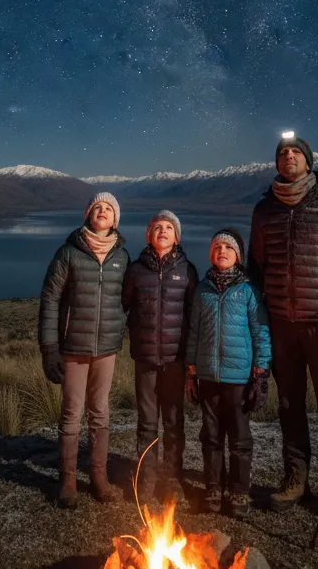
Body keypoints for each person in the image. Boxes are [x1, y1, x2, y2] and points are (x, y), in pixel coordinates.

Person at [249, 134, 318, 526]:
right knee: (289, 405)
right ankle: (295, 476)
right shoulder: (265, 210)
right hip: (282, 324)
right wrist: (256, 318)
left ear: (309, 161)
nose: (289, 157)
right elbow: (256, 267)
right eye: (282, 153)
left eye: (296, 152)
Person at [38, 192, 130, 509]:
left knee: (100, 411)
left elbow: (129, 299)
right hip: (73, 346)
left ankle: (99, 477)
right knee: (71, 413)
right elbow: (50, 299)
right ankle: (67, 481)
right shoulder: (68, 253)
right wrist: (49, 347)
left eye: (109, 209)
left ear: (115, 219)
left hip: (106, 348)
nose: (102, 211)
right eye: (97, 207)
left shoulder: (122, 257)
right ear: (88, 214)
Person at [185, 229, 271, 520]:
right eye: (217, 247)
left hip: (239, 377)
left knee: (239, 437)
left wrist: (261, 373)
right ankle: (213, 488)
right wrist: (191, 370)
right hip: (208, 375)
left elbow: (260, 331)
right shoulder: (203, 289)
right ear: (211, 254)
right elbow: (194, 332)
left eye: (229, 248)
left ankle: (238, 490)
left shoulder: (248, 290)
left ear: (239, 256)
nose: (222, 251)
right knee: (210, 435)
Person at [121, 210, 199, 504]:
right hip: (145, 360)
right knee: (147, 421)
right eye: (157, 227)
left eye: (168, 227)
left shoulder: (187, 270)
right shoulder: (136, 270)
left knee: (173, 421)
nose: (162, 231)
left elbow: (193, 317)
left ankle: (172, 478)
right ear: (149, 235)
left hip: (175, 361)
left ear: (176, 237)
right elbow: (122, 305)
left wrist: (191, 361)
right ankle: (147, 477)